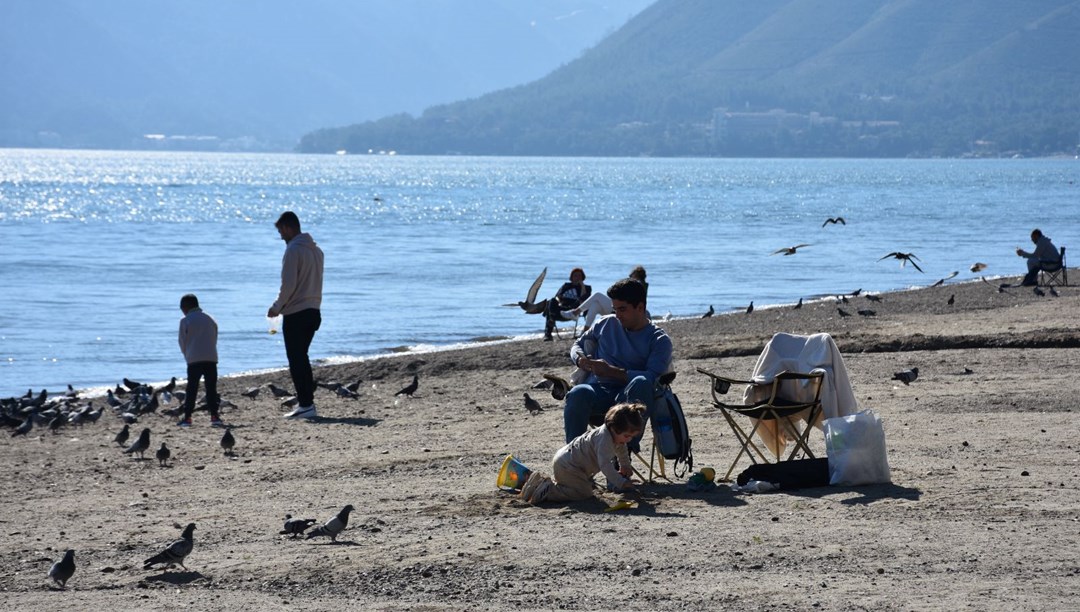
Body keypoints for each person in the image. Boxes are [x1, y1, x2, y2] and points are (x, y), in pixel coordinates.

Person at [563, 277, 673, 452]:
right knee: (578, 392)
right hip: (599, 394)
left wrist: (612, 372)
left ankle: (624, 454)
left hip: (631, 399)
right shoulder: (606, 323)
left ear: (640, 308)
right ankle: (575, 456)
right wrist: (581, 360)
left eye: (622, 309)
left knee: (642, 382)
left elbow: (653, 377)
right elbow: (577, 345)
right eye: (615, 310)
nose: (617, 315)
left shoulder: (659, 340)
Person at [519, 403, 645, 504]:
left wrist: (625, 465)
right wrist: (621, 482)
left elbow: (622, 449)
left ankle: (547, 484)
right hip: (568, 466)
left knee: (581, 487)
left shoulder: (615, 436)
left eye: (631, 437)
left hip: (570, 463)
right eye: (627, 436)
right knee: (583, 493)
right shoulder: (604, 440)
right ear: (613, 428)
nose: (629, 440)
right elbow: (605, 465)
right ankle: (548, 490)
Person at [267, 211, 325, 420]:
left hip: (296, 312)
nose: (281, 236)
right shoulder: (317, 251)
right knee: (302, 358)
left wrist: (276, 307)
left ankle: (307, 404)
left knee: (296, 360)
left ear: (289, 227)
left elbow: (288, 285)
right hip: (314, 311)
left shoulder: (293, 251)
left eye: (281, 231)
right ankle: (306, 403)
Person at [177, 293, 223, 428]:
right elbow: (214, 337)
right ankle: (214, 416)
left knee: (192, 389)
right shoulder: (210, 318)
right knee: (211, 389)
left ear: (186, 307)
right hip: (211, 357)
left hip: (194, 358)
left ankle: (188, 417)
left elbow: (182, 342)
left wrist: (187, 355)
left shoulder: (185, 321)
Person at [564, 265, 649, 333]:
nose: (630, 276)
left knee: (597, 295)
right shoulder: (640, 285)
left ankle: (576, 312)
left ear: (637, 274)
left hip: (621, 310)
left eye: (632, 274)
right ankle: (585, 331)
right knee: (595, 305)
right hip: (620, 310)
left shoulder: (638, 285)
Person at [544, 267, 591, 341]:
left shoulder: (587, 288)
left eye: (579, 276)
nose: (577, 277)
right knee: (551, 301)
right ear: (571, 277)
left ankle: (551, 320)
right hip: (561, 308)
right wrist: (559, 300)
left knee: (578, 302)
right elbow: (557, 296)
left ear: (582, 277)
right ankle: (548, 333)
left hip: (574, 310)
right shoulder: (566, 286)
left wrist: (582, 286)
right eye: (575, 275)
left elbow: (584, 300)